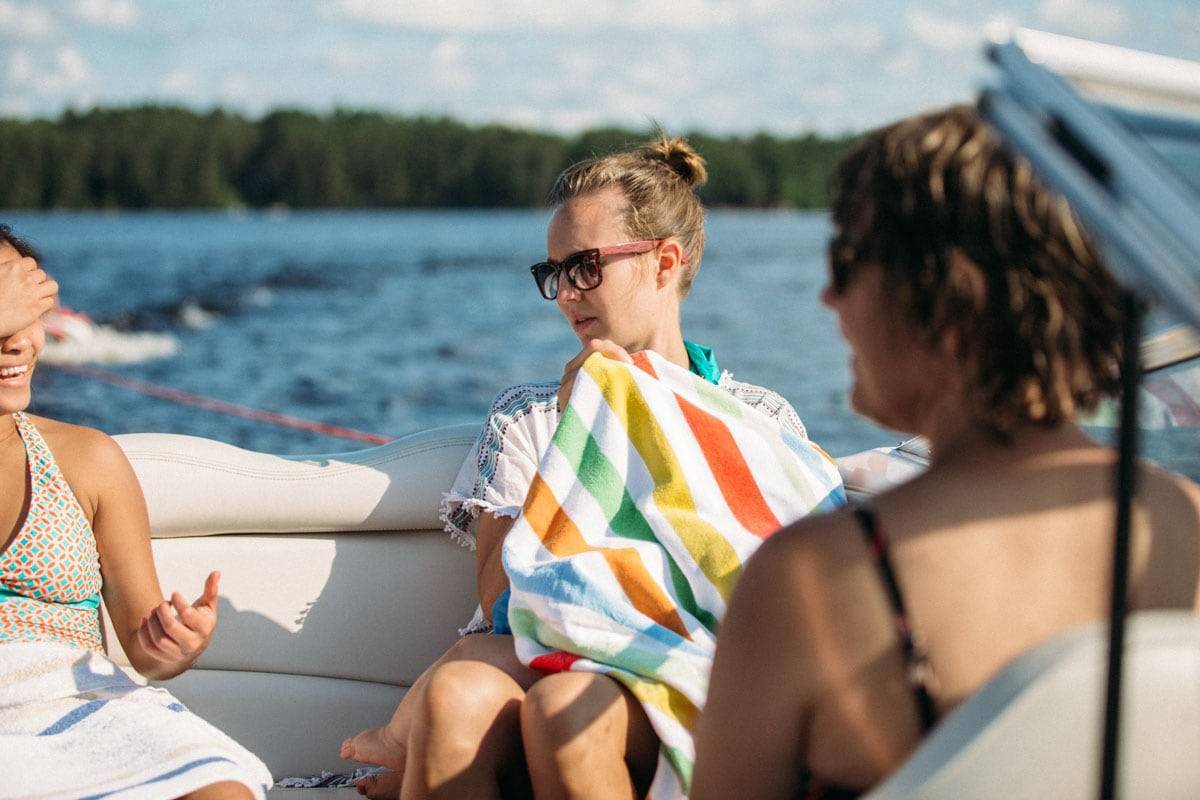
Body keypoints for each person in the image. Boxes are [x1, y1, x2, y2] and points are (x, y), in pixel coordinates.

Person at [690, 104, 1200, 800]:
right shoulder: (1185, 523)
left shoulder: (813, 579)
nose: (828, 297)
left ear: (945, 300)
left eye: (847, 261)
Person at [341, 134, 827, 799]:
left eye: (586, 266)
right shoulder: (530, 418)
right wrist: (579, 435)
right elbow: (501, 602)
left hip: (698, 669)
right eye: (554, 273)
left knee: (565, 709)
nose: (566, 293)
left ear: (663, 263)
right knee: (455, 694)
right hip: (545, 656)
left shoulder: (755, 420)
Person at [0, 226, 272, 799]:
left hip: (85, 709)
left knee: (223, 793)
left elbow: (144, 649)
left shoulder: (88, 459)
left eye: (29, 316)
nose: (17, 342)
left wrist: (172, 646)